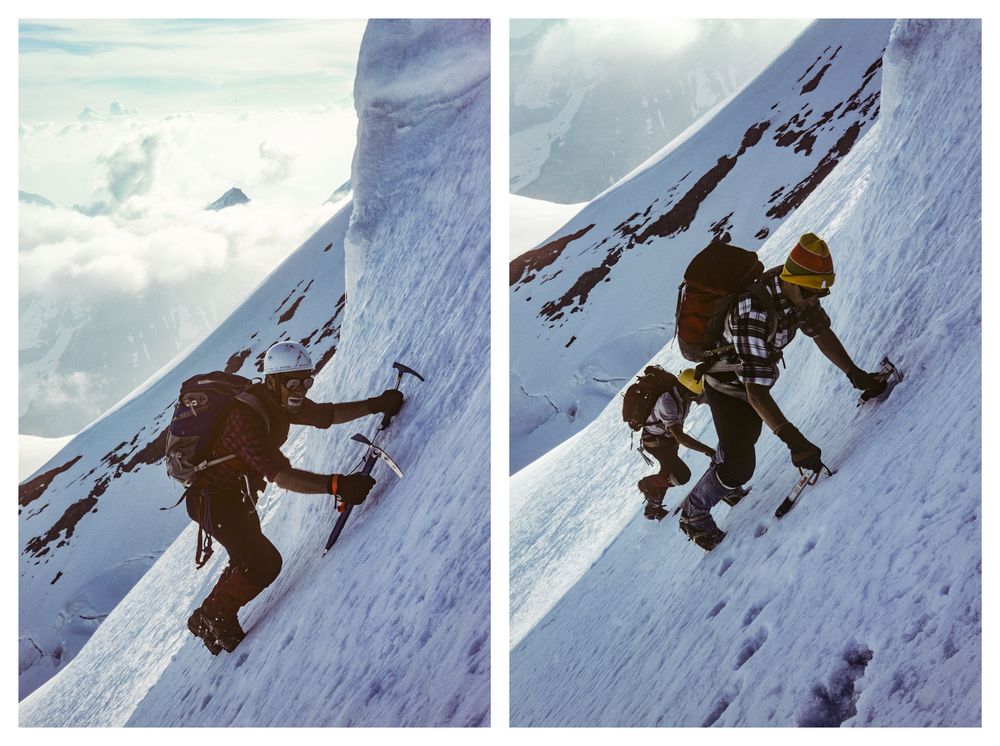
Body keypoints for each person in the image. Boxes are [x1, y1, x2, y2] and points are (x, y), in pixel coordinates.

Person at [186, 341, 404, 653]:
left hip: (234, 495)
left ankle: (204, 617)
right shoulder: (243, 419)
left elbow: (324, 415)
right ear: (272, 381)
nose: (301, 389)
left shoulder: (280, 402)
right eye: (293, 382)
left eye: (307, 381)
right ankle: (215, 617)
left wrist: (376, 404)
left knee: (246, 557)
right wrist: (337, 485)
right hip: (214, 501)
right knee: (264, 563)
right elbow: (281, 476)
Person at [679, 233, 886, 550]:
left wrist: (856, 375)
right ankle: (693, 513)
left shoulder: (799, 293)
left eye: (821, 293)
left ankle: (723, 475)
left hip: (750, 381)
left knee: (741, 443)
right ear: (791, 279)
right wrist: (796, 443)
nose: (814, 299)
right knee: (740, 464)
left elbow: (821, 333)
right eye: (809, 292)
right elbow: (755, 393)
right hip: (727, 387)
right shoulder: (754, 311)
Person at [637, 369, 716, 520]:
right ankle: (646, 484)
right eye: (692, 396)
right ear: (685, 391)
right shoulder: (667, 402)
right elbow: (680, 437)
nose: (694, 399)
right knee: (682, 475)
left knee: (669, 471)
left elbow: (707, 398)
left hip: (666, 439)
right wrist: (707, 450)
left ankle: (653, 507)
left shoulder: (685, 392)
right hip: (656, 443)